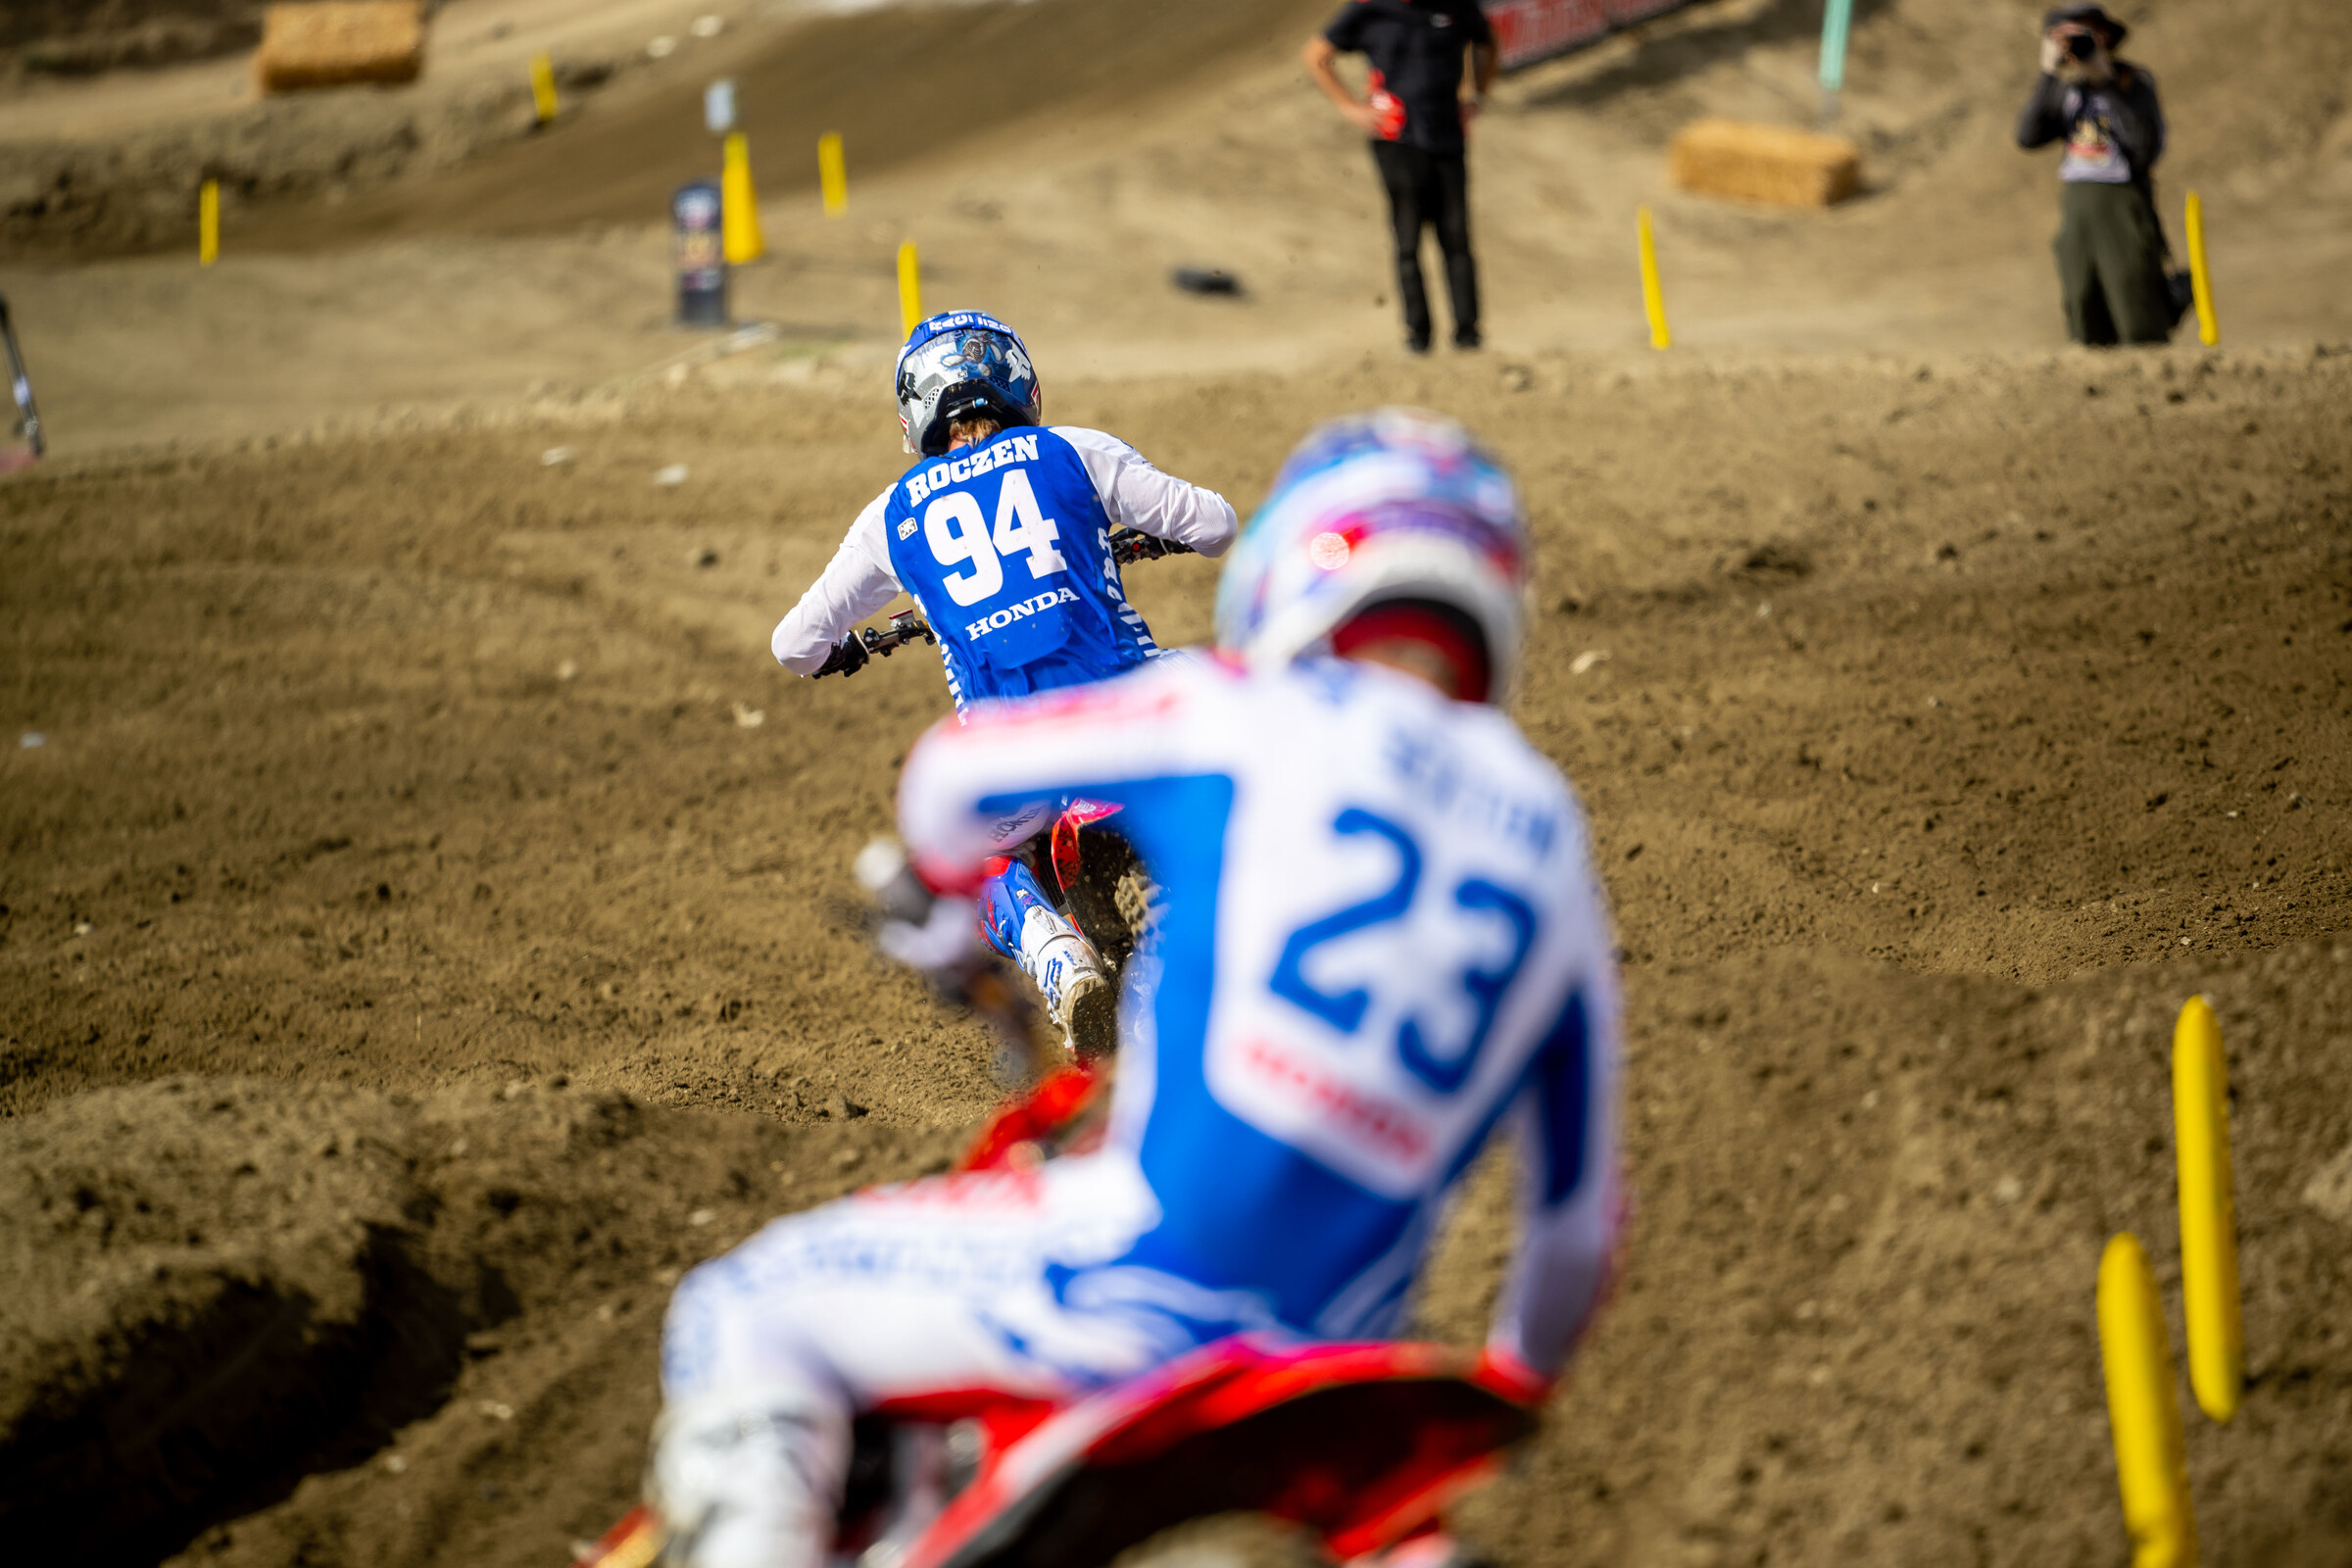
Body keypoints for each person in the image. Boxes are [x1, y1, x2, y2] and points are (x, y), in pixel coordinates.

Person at [653, 409, 1626, 1568]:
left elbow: (946, 777)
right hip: (1344, 1356)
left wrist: (949, 930)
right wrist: (1507, 1398)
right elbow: (1575, 1234)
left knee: (740, 1305)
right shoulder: (1552, 837)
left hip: (1134, 1276)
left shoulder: (1241, 712)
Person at [770, 309, 1238, 1054]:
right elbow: (1215, 523)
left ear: (917, 413)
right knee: (1225, 696)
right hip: (1127, 721)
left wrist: (845, 651)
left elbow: (794, 645)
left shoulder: (889, 516)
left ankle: (1054, 955)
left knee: (962, 854)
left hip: (1009, 768)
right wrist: (1141, 535)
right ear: (1019, 382)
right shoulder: (1073, 450)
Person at [1305, 0, 1498, 355]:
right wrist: (1350, 108)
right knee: (1408, 239)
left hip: (1448, 136)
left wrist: (1479, 95)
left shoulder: (1458, 6)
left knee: (1456, 236)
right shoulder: (1370, 8)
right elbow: (1316, 55)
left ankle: (1468, 333)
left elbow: (1487, 41)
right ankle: (1417, 334)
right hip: (1395, 140)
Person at [2015, 4, 2178, 346]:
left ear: (2106, 37)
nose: (2078, 44)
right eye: (2068, 37)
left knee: (2133, 295)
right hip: (2077, 203)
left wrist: (2105, 84)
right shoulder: (2067, 90)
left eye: (2085, 34)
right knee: (2081, 296)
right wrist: (2048, 71)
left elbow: (2145, 150)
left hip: (2123, 201)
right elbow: (2027, 137)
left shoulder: (2132, 82)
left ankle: (2148, 363)